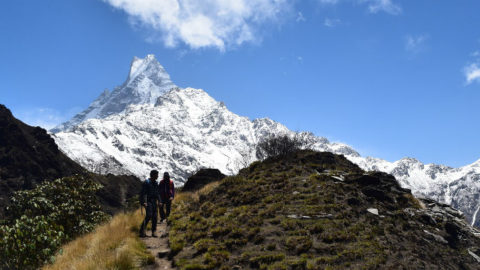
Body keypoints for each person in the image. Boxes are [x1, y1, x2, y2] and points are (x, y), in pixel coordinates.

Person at [139, 170, 161, 237]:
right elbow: (144, 193)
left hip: (154, 201)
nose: (157, 176)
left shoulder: (156, 183)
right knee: (149, 215)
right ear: (153, 175)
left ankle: (153, 231)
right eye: (156, 175)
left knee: (155, 216)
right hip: (148, 201)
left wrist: (160, 201)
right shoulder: (147, 183)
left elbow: (158, 193)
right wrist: (144, 202)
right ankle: (142, 231)